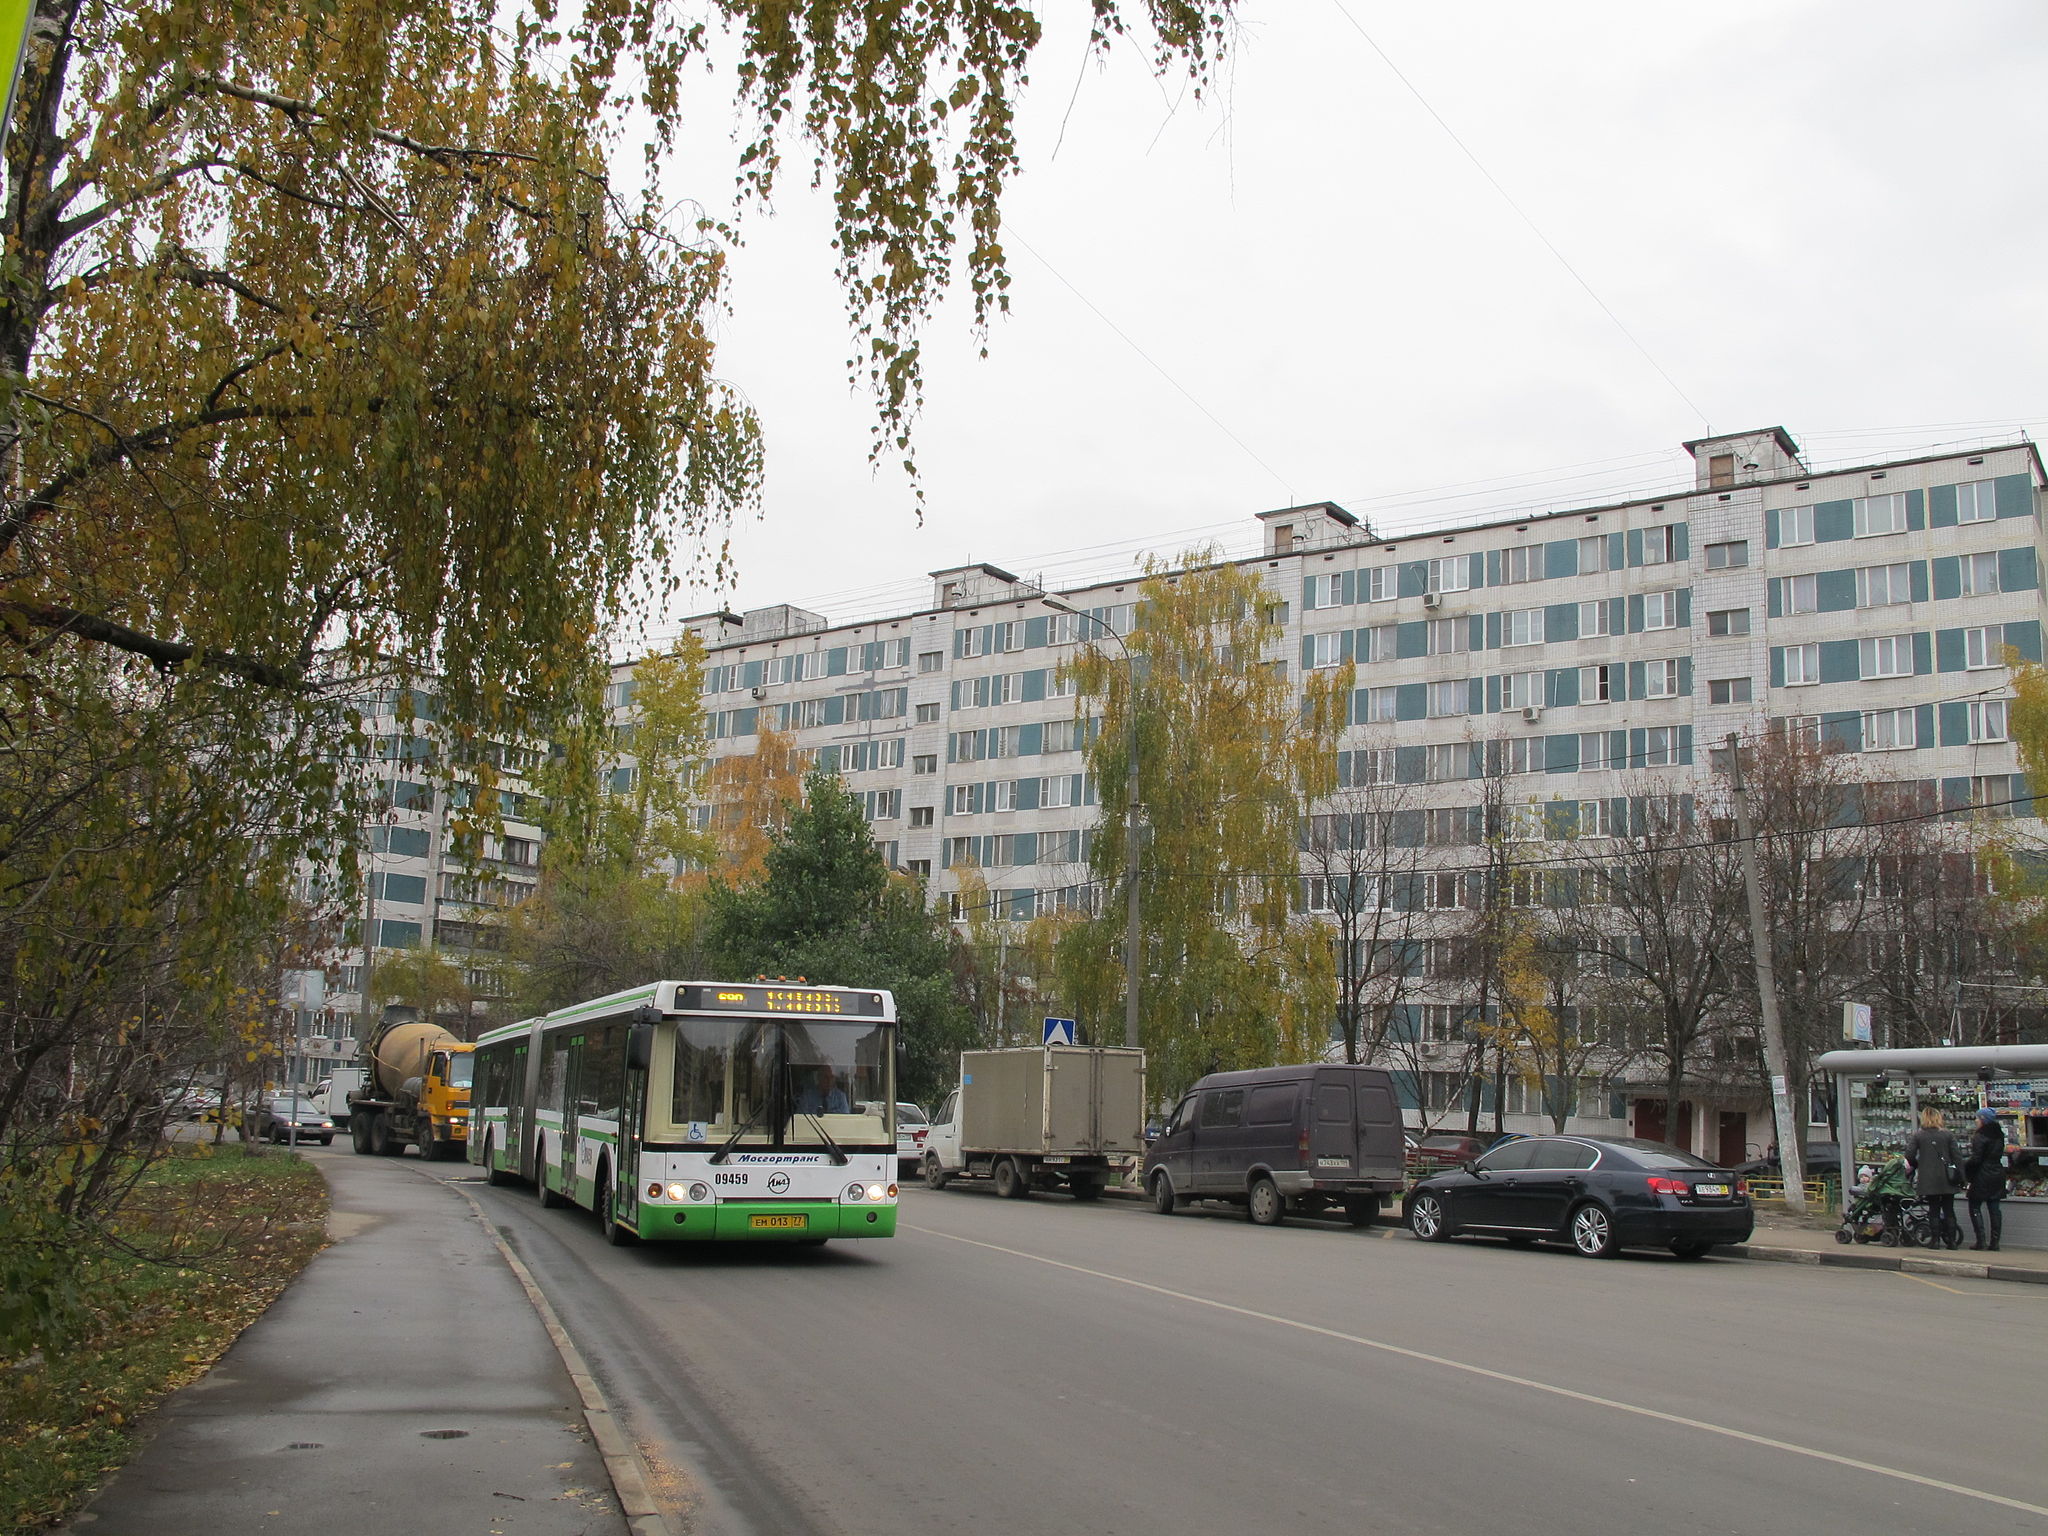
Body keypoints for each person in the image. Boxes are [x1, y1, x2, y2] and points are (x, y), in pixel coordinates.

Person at [1903, 1107, 1963, 1249]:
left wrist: (1918, 1164)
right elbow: (1957, 1156)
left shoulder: (1918, 1135)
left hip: (1928, 1178)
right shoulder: (1948, 1135)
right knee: (1949, 1210)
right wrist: (1961, 1176)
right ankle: (1952, 1242)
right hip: (1947, 1178)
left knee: (1934, 1209)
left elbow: (1909, 1155)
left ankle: (1935, 1240)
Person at [1964, 1107, 2009, 1252]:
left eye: (1977, 1118)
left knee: (1975, 1206)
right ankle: (1995, 1242)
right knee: (1994, 1208)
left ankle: (1981, 1240)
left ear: (1983, 1119)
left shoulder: (1980, 1136)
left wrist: (1965, 1168)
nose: (1976, 1120)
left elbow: (1976, 1159)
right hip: (1997, 1173)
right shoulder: (1998, 1135)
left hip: (1982, 1175)